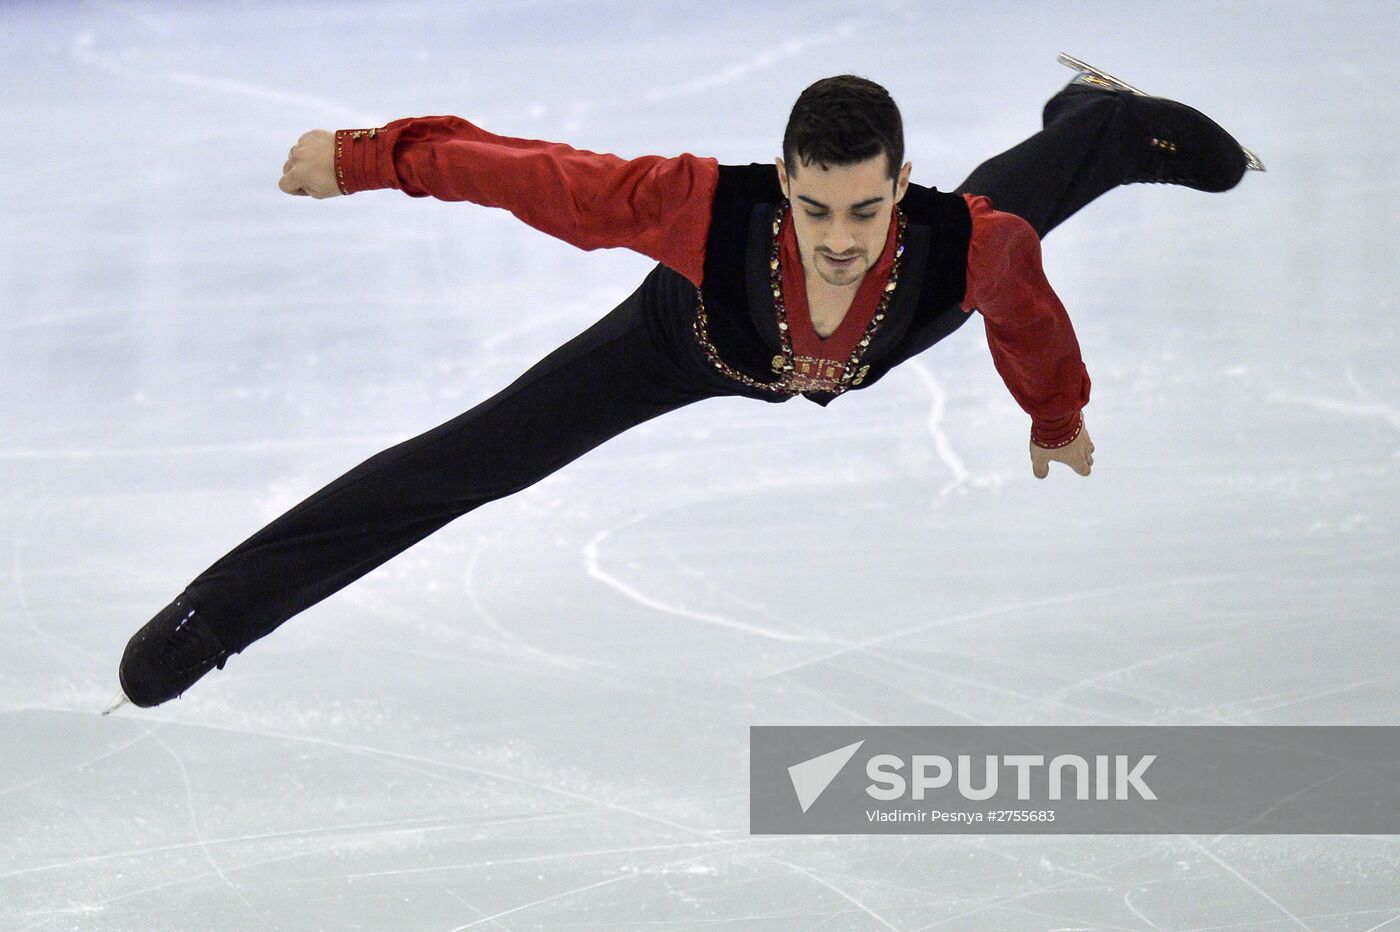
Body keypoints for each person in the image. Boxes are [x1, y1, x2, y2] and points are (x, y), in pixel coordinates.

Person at [107, 55, 1261, 712]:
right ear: (783, 179)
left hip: (868, 350)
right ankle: (218, 615)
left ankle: (1103, 128)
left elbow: (1028, 310)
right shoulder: (704, 207)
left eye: (867, 208)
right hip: (688, 339)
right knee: (473, 458)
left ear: (897, 185)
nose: (839, 238)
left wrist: (1053, 414)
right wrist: (367, 158)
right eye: (814, 208)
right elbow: (531, 175)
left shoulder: (954, 243)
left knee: (996, 226)